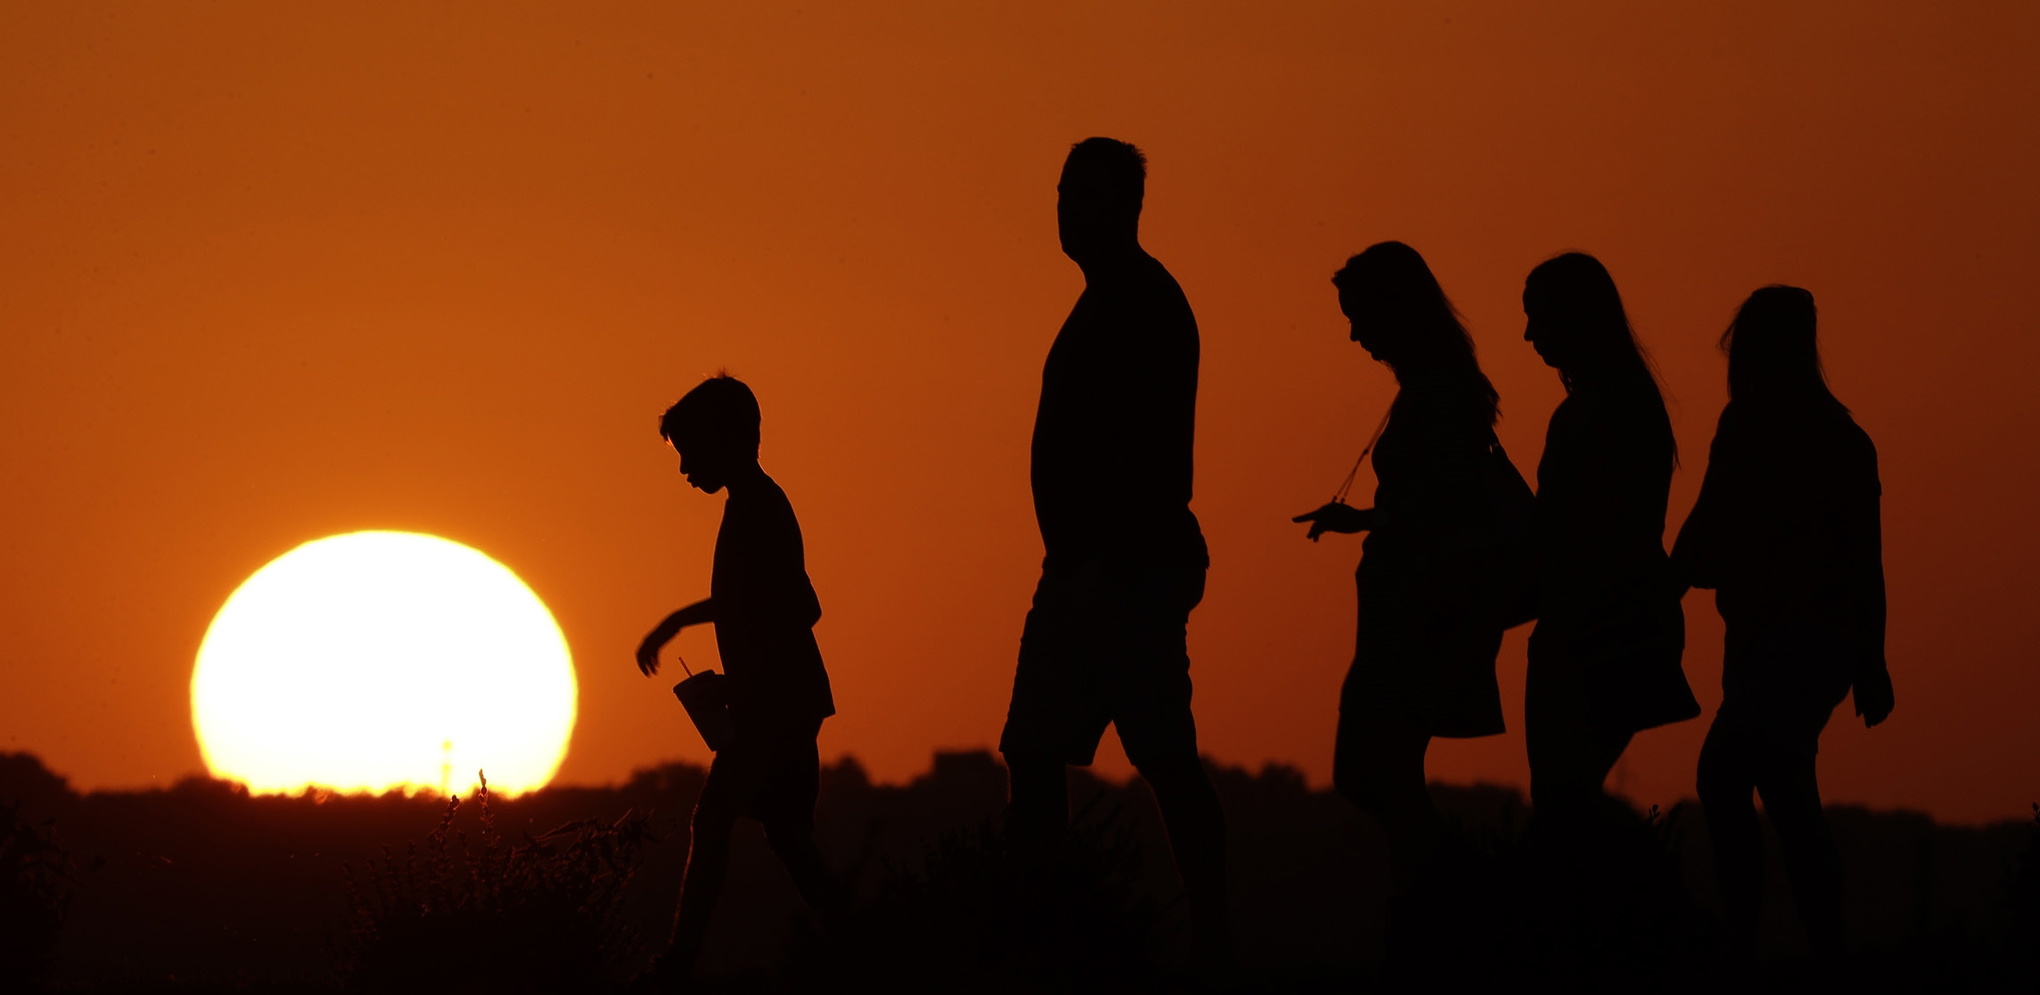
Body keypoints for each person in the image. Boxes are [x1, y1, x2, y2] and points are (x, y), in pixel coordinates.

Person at [998, 137, 1231, 967]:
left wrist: (1121, 557)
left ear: (1128, 208)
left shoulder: (1142, 300)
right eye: (1064, 193)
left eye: (1087, 196)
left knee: (1163, 755)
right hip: (1083, 568)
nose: (1068, 210)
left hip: (1121, 566)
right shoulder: (1106, 299)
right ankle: (1053, 931)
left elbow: (1156, 445)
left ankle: (1213, 941)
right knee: (1033, 750)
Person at [1673, 285, 1893, 962]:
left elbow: (1860, 556)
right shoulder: (1821, 435)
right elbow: (1709, 527)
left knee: (1725, 772)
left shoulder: (1811, 436)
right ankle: (1821, 949)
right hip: (1773, 638)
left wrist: (1873, 659)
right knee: (1786, 794)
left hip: (1803, 640)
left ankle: (1751, 941)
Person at [1294, 241, 1521, 895]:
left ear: (1396, 310)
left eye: (1359, 314)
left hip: (1420, 614)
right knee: (1384, 774)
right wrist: (1367, 521)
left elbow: (1447, 504)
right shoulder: (1433, 388)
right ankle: (1439, 906)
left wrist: (1376, 523)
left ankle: (1462, 891)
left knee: (1373, 773)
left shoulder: (1440, 393)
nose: (1354, 332)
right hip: (1406, 609)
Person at [634, 374, 845, 987]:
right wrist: (688, 629)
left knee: (715, 817)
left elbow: (799, 606)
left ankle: (678, 963)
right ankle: (863, 943)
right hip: (783, 697)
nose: (684, 470)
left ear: (730, 440)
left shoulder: (759, 507)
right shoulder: (752, 504)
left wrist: (742, 681)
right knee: (787, 836)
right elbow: (750, 600)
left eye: (689, 453)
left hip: (776, 704)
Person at [1519, 253, 1699, 829]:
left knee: (1562, 800)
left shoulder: (1609, 409)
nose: (1528, 335)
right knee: (1563, 797)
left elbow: (1587, 529)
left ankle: (1639, 898)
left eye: (1539, 318)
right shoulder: (1607, 405)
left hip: (1601, 626)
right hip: (1598, 621)